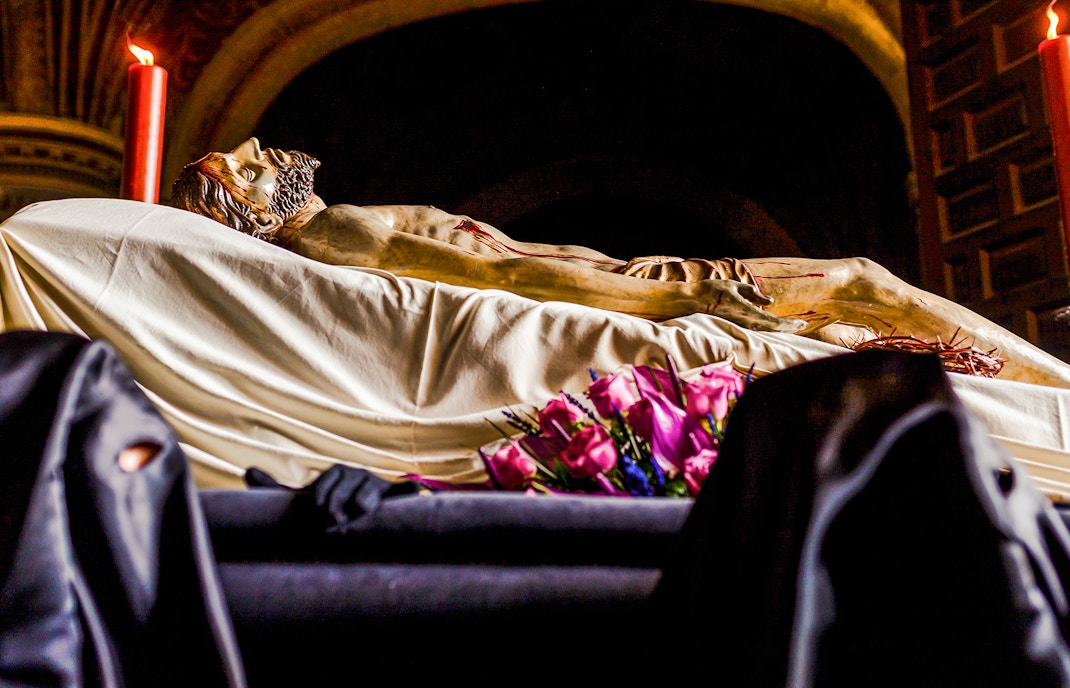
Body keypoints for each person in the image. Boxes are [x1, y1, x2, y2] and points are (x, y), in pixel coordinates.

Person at [171, 137, 1070, 388]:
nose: (259, 150)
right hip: (646, 286)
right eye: (244, 167)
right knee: (864, 284)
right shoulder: (337, 231)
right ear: (250, 210)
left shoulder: (340, 227)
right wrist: (692, 301)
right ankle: (1061, 387)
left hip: (632, 274)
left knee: (858, 315)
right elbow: (506, 277)